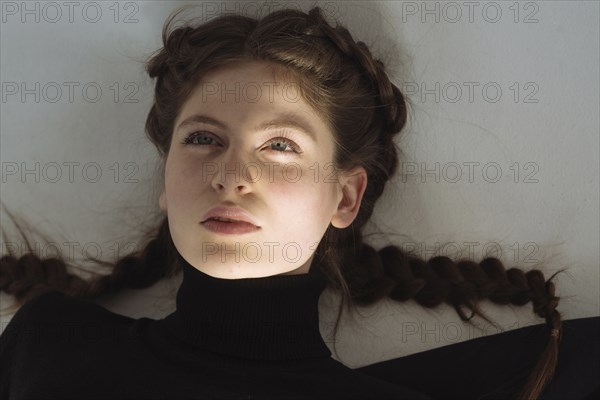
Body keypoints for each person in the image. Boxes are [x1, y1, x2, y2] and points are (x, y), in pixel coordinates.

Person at [1, 5, 598, 400]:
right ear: (165, 179)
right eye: (203, 138)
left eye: (280, 146)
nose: (231, 175)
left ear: (345, 196)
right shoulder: (48, 343)